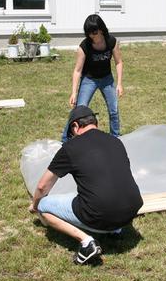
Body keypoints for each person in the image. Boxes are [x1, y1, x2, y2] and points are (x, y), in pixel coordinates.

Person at [30, 106, 143, 265]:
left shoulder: (71, 148)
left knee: (44, 205)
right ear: (95, 123)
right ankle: (114, 229)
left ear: (75, 126)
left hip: (100, 214)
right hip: (130, 211)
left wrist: (35, 205)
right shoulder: (116, 141)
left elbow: (42, 186)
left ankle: (86, 242)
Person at [61, 14, 123, 142]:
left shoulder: (111, 41)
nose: (92, 36)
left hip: (107, 79)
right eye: (89, 33)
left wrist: (119, 83)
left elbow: (119, 62)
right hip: (89, 80)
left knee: (114, 110)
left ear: (101, 29)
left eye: (94, 32)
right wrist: (73, 92)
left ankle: (116, 138)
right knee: (79, 110)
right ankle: (65, 140)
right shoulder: (84, 46)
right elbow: (77, 70)